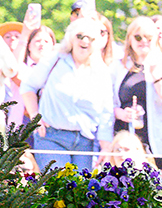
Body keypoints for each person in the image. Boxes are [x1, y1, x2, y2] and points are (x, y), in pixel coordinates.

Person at [25, 17, 115, 171]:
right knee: (58, 188)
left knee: (81, 192)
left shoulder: (102, 71)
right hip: (51, 136)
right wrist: (34, 115)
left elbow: (106, 111)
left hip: (86, 142)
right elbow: (28, 86)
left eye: (90, 38)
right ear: (71, 38)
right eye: (80, 36)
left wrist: (105, 144)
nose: (84, 41)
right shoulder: (54, 59)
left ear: (96, 42)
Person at [115, 17, 162, 172]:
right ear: (130, 39)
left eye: (149, 37)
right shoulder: (118, 66)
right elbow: (107, 103)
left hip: (155, 139)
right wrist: (121, 113)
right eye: (138, 37)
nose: (143, 41)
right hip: (123, 139)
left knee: (152, 188)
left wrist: (156, 76)